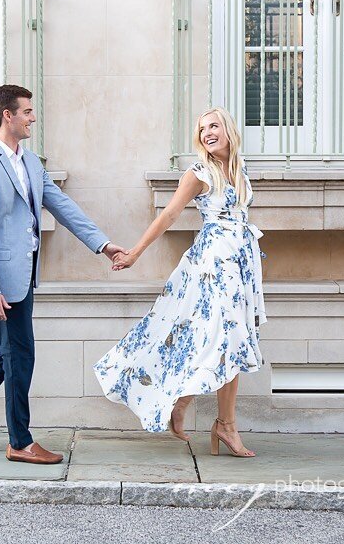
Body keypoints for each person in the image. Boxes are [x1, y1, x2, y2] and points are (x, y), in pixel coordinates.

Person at [0, 84, 125, 465]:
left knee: (8, 353)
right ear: (7, 115)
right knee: (19, 356)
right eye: (26, 112)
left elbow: (62, 205)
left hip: (24, 275)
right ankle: (19, 441)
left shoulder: (31, 161)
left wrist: (103, 245)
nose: (32, 117)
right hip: (3, 282)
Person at [94, 107, 266, 458]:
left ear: (229, 129)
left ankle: (209, 416)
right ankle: (205, 415)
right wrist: (136, 253)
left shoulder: (239, 168)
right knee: (221, 340)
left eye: (213, 125)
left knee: (231, 342)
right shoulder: (198, 172)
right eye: (202, 129)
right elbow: (170, 214)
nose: (207, 133)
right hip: (214, 263)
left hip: (240, 262)